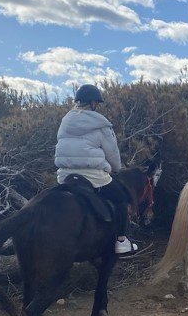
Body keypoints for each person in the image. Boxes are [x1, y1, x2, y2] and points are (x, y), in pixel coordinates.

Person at [54, 84, 137, 255]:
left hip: (65, 175)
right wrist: (116, 168)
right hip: (93, 176)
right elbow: (112, 154)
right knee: (121, 198)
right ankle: (121, 241)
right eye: (96, 103)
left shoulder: (65, 122)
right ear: (92, 103)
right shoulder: (101, 124)